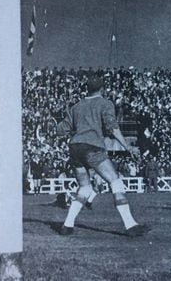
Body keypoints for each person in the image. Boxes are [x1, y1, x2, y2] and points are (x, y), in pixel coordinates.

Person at [55, 75, 150, 236]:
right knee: (115, 181)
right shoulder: (105, 104)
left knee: (84, 187)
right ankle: (131, 226)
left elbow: (60, 130)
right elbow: (112, 128)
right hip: (92, 146)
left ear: (87, 89)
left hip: (75, 147)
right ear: (102, 89)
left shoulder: (76, 106)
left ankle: (67, 225)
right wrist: (127, 147)